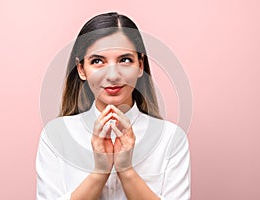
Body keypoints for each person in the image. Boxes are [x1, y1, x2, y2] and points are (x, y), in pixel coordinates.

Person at [36, 12, 190, 200]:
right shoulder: (55, 136)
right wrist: (100, 172)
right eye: (97, 61)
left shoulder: (171, 139)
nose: (113, 76)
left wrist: (127, 171)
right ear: (81, 69)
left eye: (125, 60)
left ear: (140, 65)